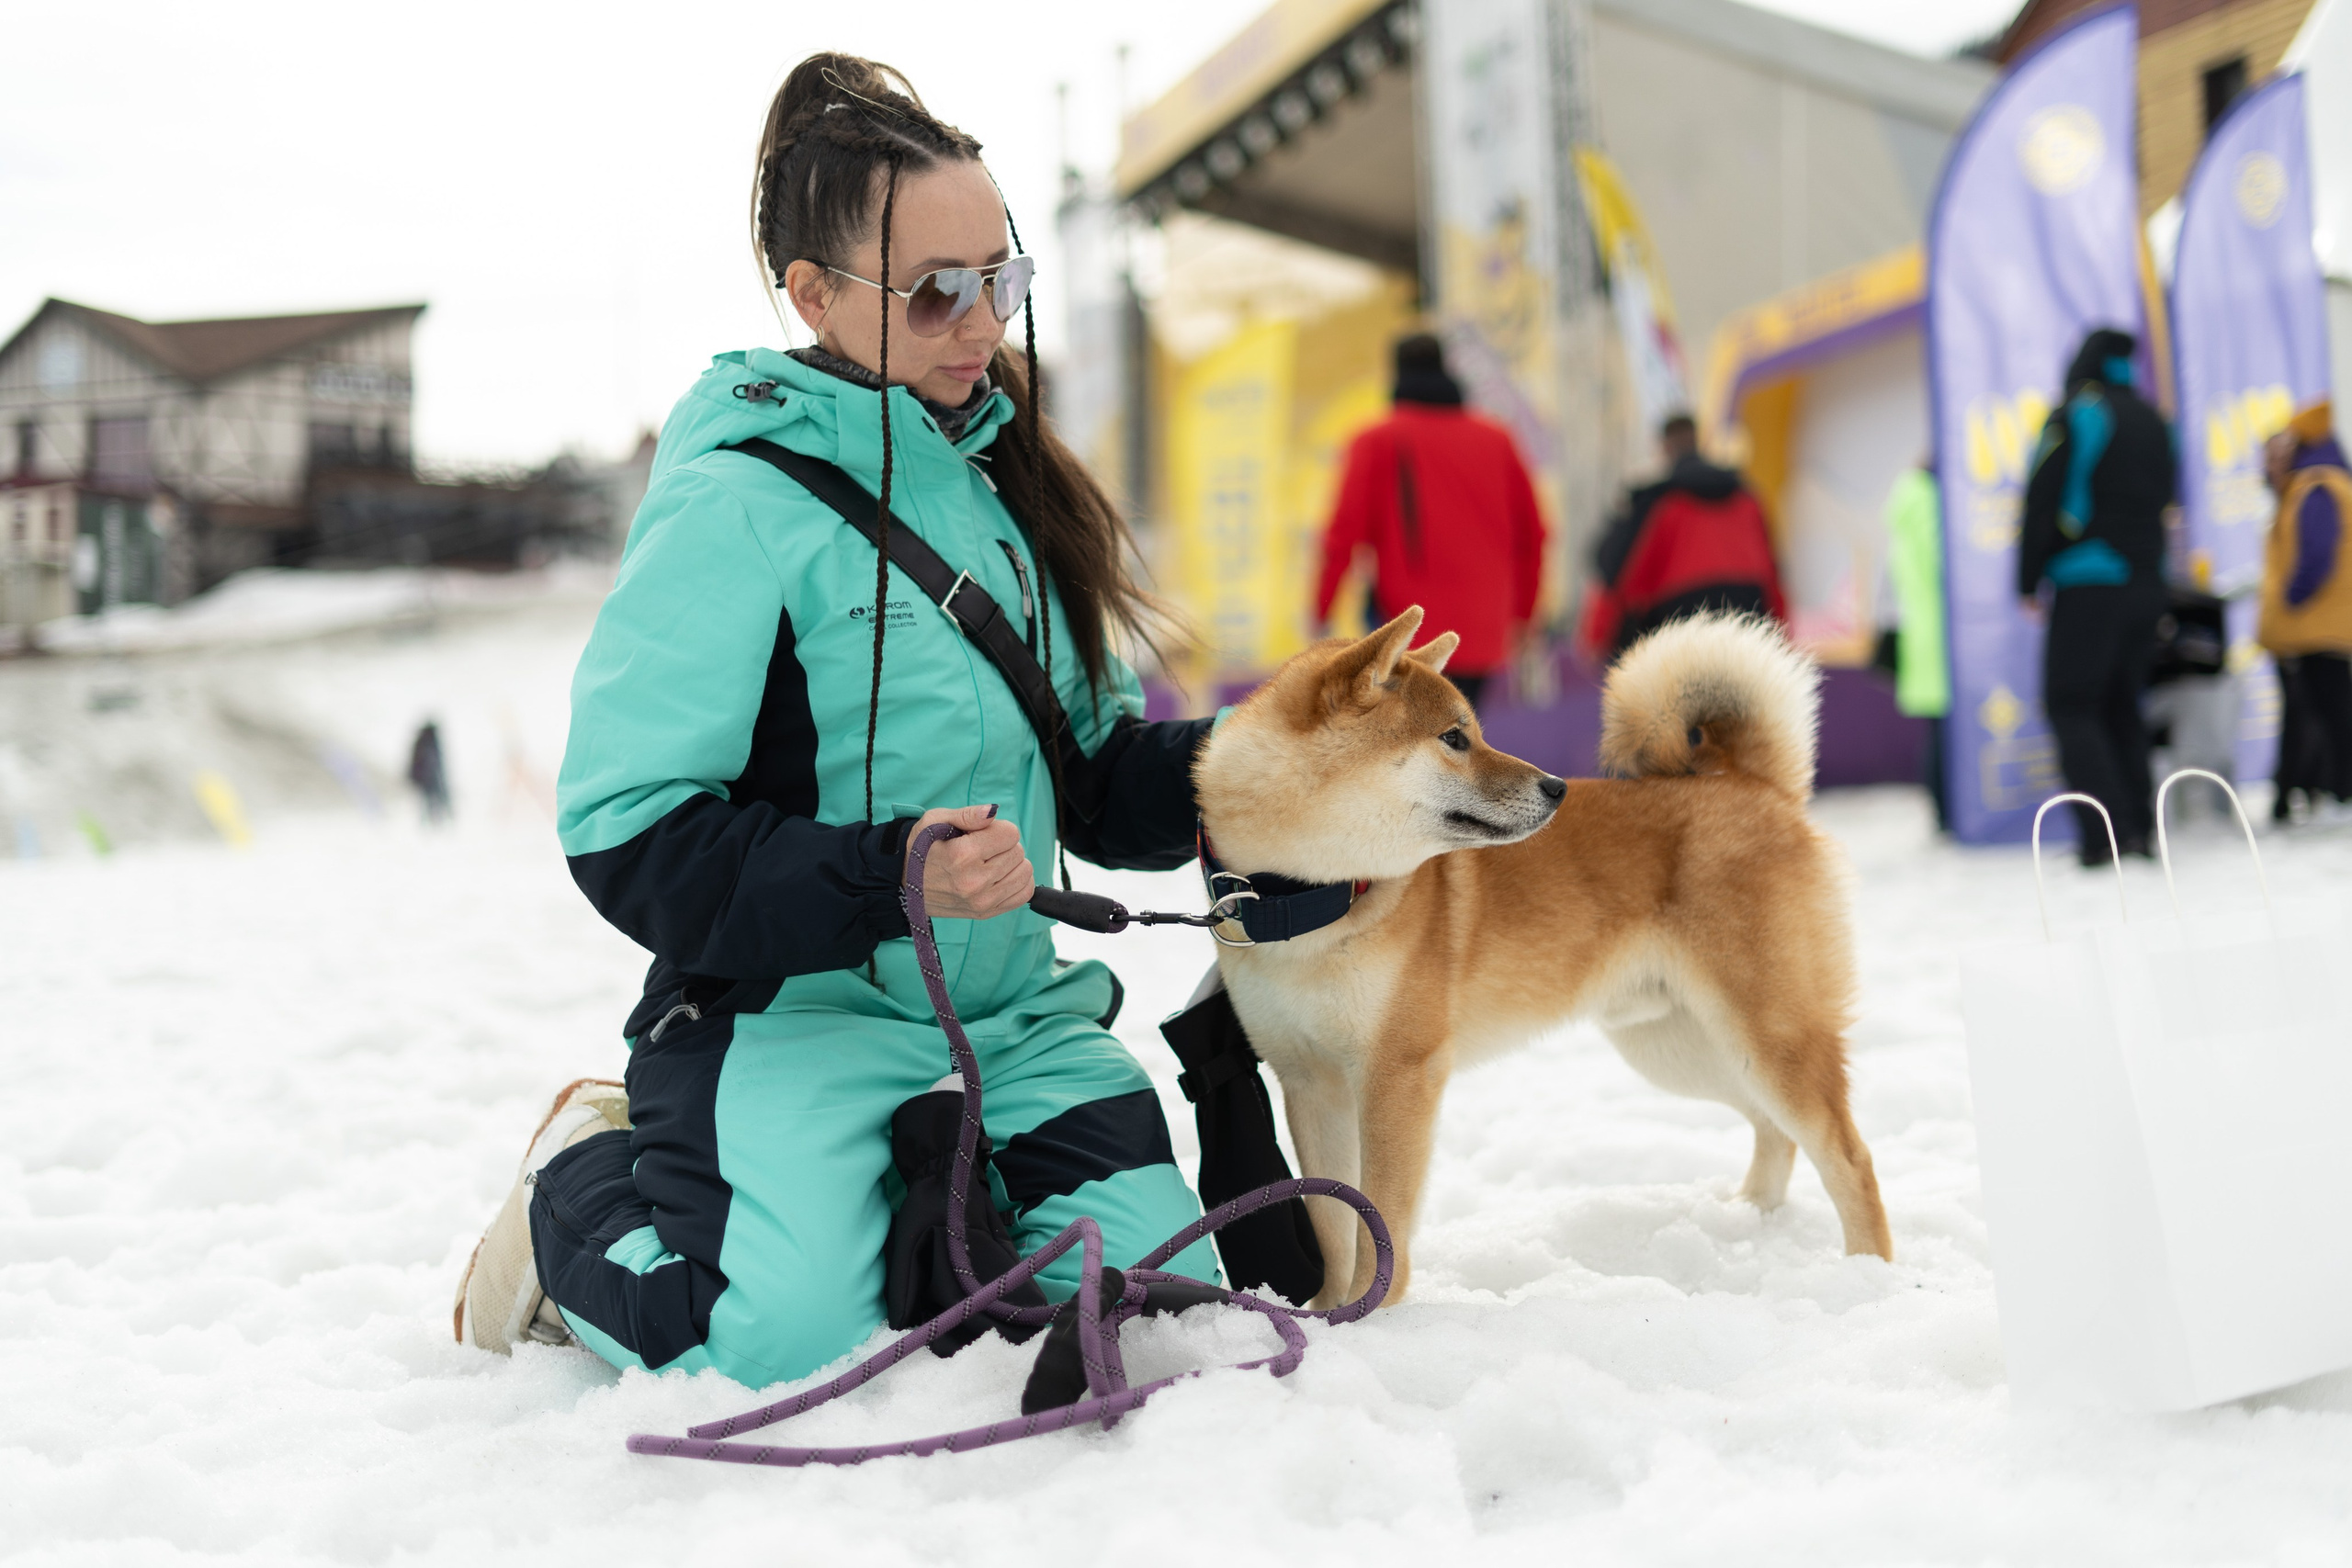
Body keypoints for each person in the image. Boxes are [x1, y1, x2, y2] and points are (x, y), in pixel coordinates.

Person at [453, 54, 1220, 1382]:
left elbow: (1089, 779)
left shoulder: (1010, 491)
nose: (978, 323)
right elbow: (628, 828)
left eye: (1002, 282)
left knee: (1164, 1316)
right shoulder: (735, 503)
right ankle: (576, 1184)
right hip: (789, 1023)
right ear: (813, 296)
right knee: (766, 1347)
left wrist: (1280, 769)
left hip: (1011, 1023)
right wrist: (889, 875)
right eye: (934, 293)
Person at [1312, 334, 1546, 709]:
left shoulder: (1376, 440)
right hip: (1483, 631)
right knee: (1459, 732)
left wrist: (1320, 612)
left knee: (1402, 737)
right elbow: (1532, 535)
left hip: (1406, 631)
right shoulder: (1497, 440)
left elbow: (1342, 536)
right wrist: (1525, 617)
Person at [2018, 327, 2174, 865]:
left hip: (2089, 580)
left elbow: (2043, 497)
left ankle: (2106, 837)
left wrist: (2027, 579)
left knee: (2073, 705)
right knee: (2122, 707)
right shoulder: (2154, 419)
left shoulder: (2077, 413)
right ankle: (2140, 830)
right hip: (2148, 583)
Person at [1586, 412, 1786, 661]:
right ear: (1697, 441)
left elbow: (1619, 574)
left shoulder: (1658, 503)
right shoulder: (1747, 498)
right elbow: (1773, 573)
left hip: (1681, 615)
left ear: (1665, 448)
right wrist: (1783, 635)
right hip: (1747, 607)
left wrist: (1597, 638)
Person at [2257, 400, 2352, 819]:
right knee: (2324, 712)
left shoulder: (2317, 485)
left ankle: (2339, 792)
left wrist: (2291, 597)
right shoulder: (2321, 483)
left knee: (2329, 713)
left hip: (2317, 624)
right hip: (2321, 623)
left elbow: (2315, 555)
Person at [1881, 459, 1951, 832]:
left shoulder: (1907, 501)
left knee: (1938, 729)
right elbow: (1942, 564)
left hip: (1920, 630)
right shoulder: (1928, 500)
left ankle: (1943, 812)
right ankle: (1949, 812)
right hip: (1942, 632)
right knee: (1947, 732)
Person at [406, 720, 449, 826]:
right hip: (430, 778)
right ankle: (432, 822)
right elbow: (434, 763)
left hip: (426, 778)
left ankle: (431, 822)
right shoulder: (430, 743)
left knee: (429, 801)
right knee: (431, 801)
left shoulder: (422, 741)